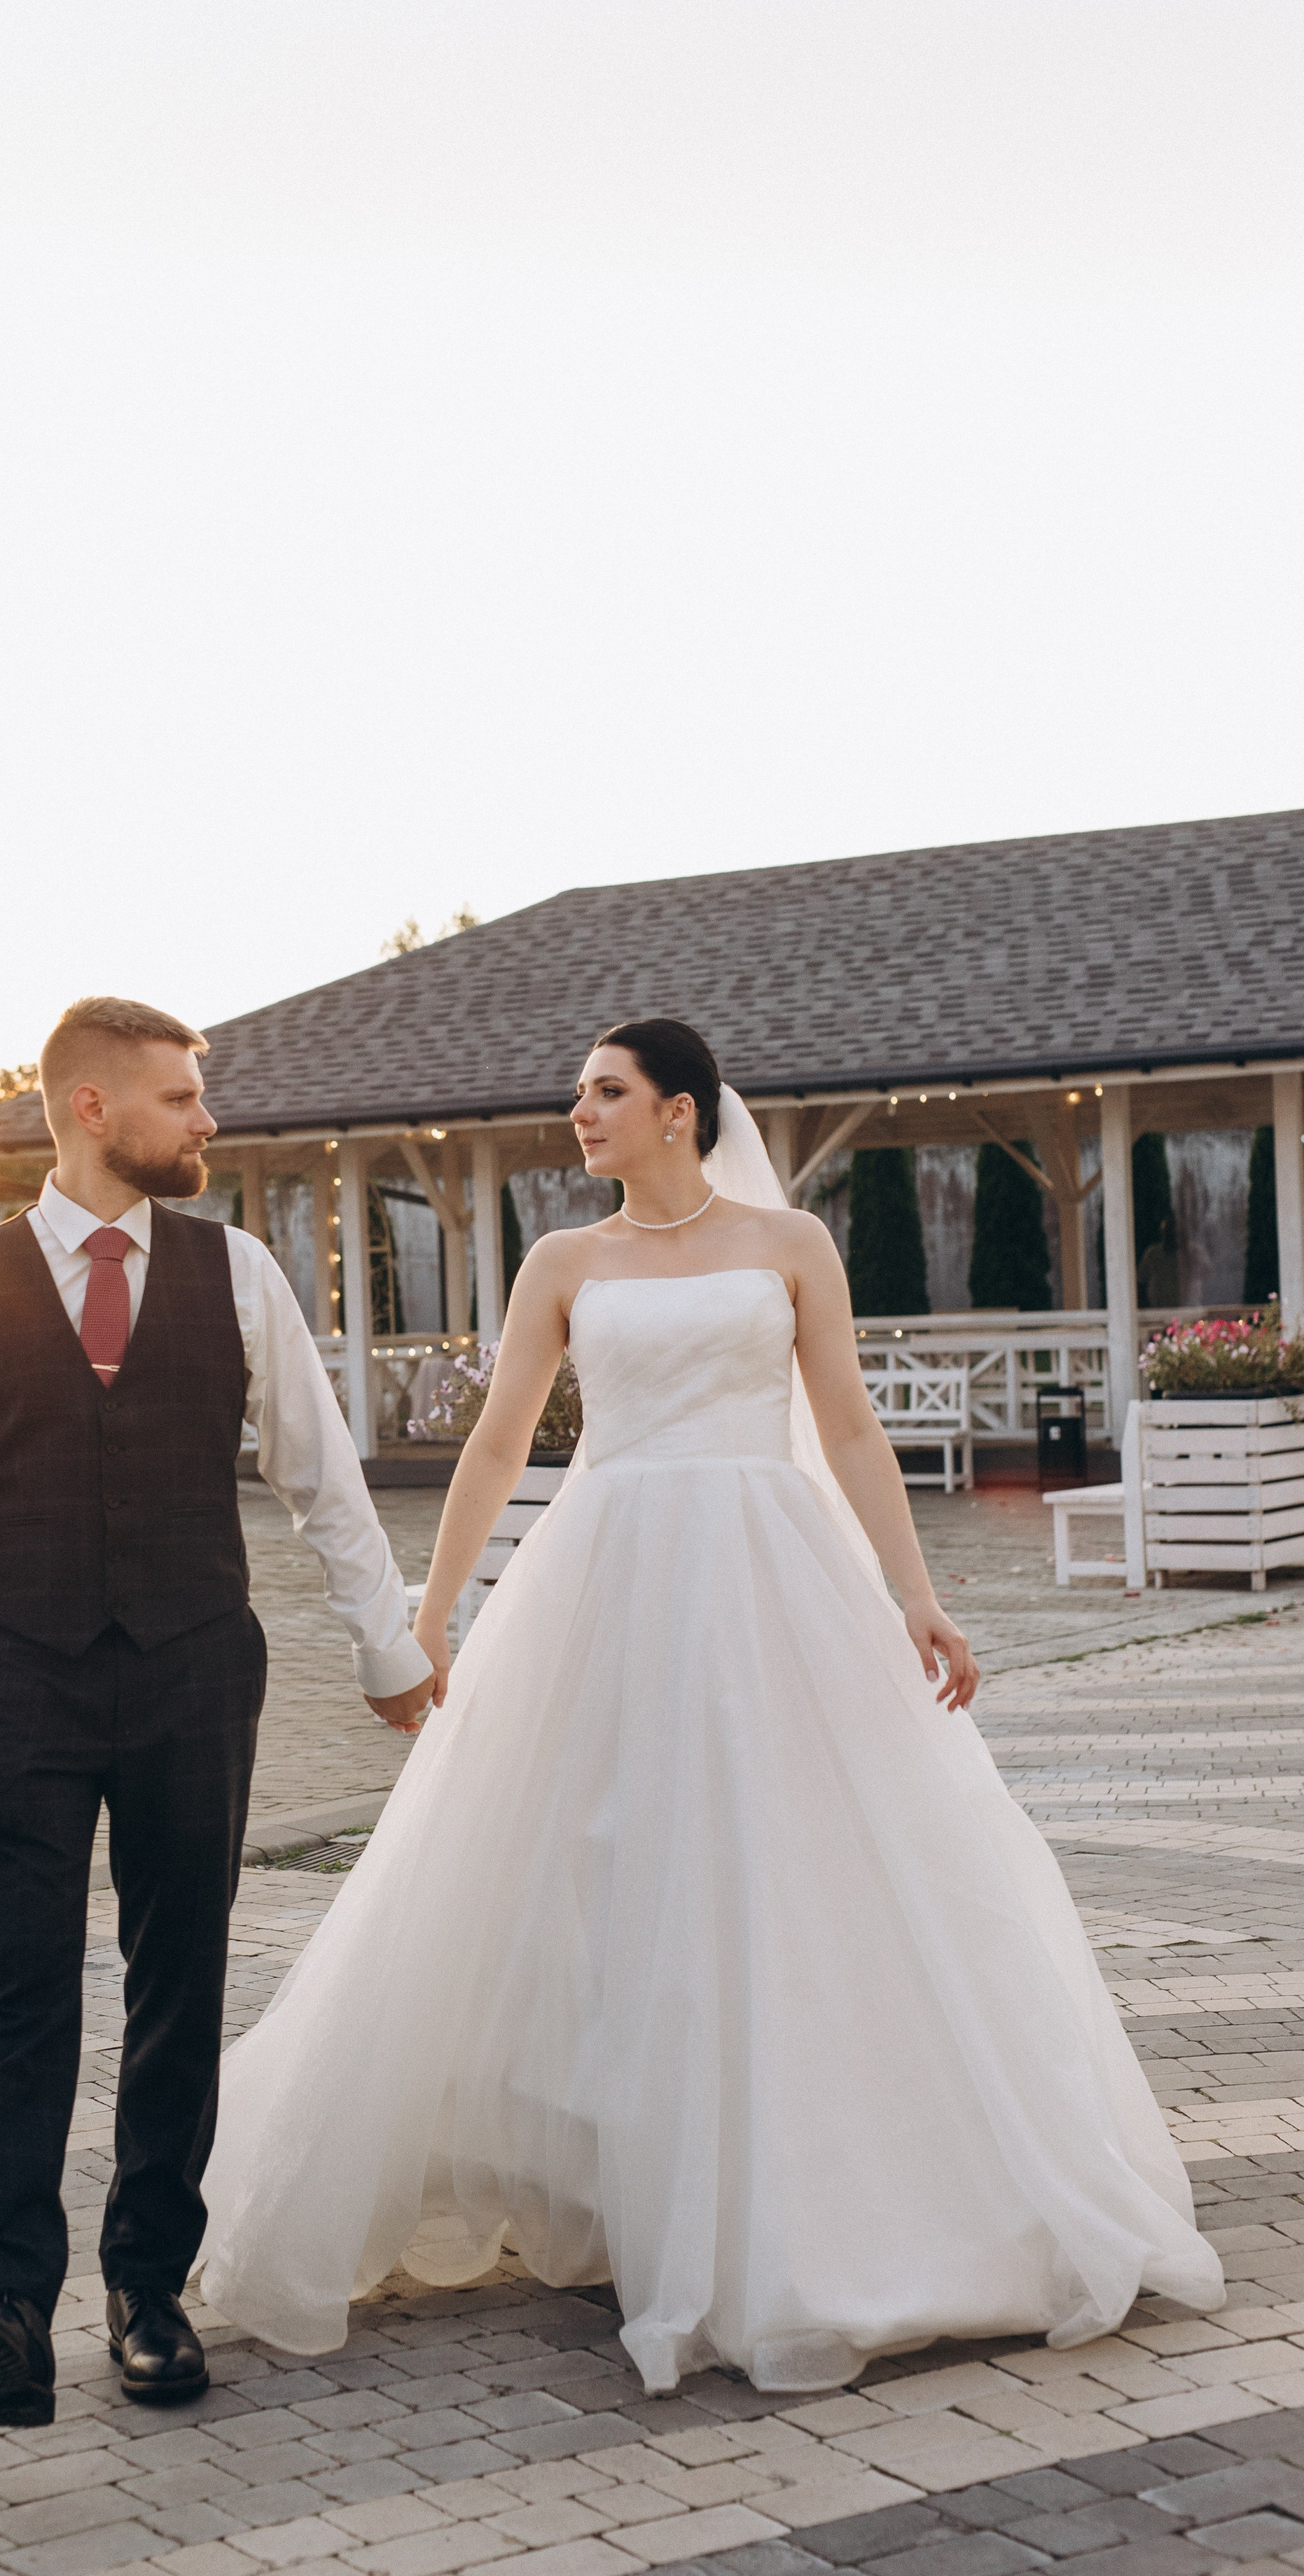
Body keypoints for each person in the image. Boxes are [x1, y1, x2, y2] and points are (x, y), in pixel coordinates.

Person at [195, 1017, 1224, 2395]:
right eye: (574, 1094)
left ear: (679, 1110)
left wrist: (916, 1595)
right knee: (610, 1866)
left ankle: (817, 2194)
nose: (579, 1114)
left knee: (788, 1867)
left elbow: (848, 1424)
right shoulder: (564, 1264)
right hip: (605, 1574)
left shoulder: (787, 1246)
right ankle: (640, 2185)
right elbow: (500, 1438)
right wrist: (429, 1614)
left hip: (767, 1571)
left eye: (604, 1093)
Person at [0, 996, 433, 2427]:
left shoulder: (235, 1274)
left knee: (177, 1984)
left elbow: (323, 1482)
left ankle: (146, 2290)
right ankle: (3, 2297)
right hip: (21, 1676)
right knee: (16, 1988)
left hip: (191, 1670)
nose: (208, 1121)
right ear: (93, 1110)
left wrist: (387, 1650)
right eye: (182, 1099)